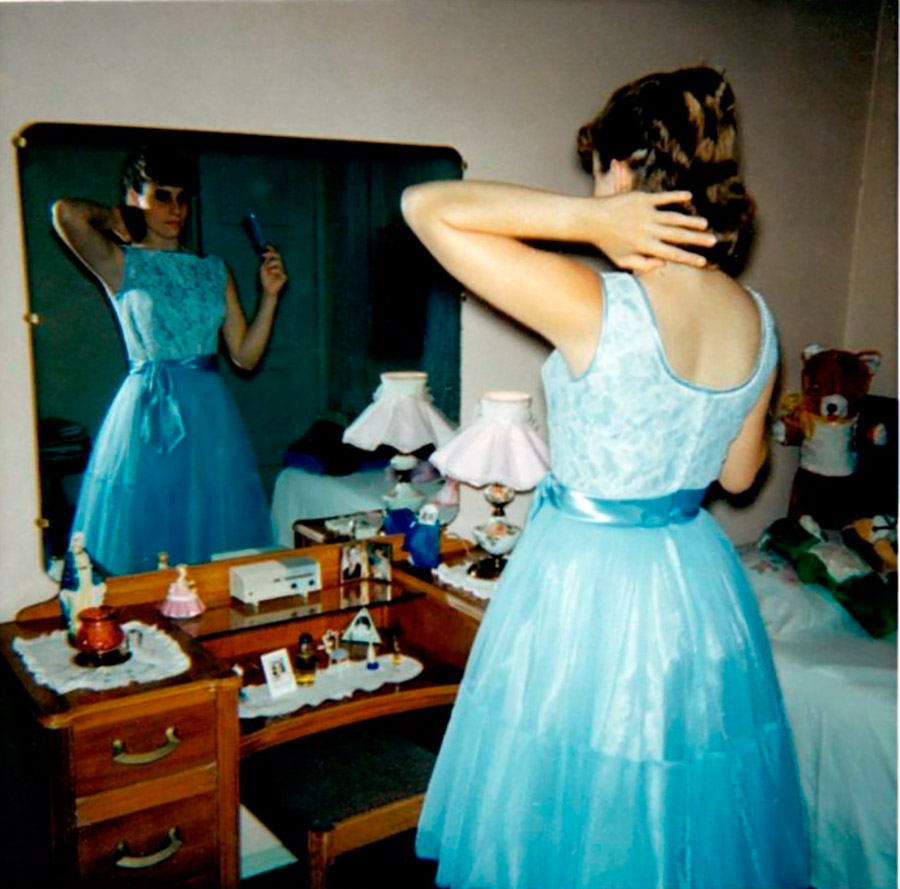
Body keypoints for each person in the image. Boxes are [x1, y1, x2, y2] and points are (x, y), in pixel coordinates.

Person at [403, 67, 809, 888]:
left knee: (572, 793)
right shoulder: (757, 316)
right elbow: (739, 475)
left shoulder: (599, 302)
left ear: (622, 172)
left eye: (597, 175)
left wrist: (588, 222)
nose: (593, 190)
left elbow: (425, 205)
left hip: (586, 577)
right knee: (681, 791)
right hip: (693, 579)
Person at [52, 146, 286, 575]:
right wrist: (115, 217)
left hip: (210, 417)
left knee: (210, 536)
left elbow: (245, 356)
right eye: (161, 196)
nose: (175, 209)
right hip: (147, 413)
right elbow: (67, 214)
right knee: (146, 532)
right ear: (134, 196)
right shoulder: (121, 262)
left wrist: (269, 297)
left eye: (182, 198)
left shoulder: (213, 269)